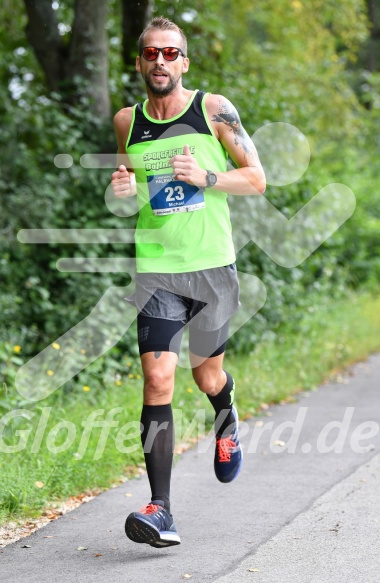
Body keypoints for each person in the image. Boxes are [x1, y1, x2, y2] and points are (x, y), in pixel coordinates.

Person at [111, 16, 266, 548]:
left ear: (185, 61)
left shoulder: (213, 109)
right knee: (157, 382)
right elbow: (127, 192)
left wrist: (207, 177)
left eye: (171, 54)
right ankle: (162, 509)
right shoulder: (125, 122)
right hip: (156, 270)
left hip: (211, 270)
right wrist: (121, 190)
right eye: (151, 53)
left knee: (206, 378)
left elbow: (257, 179)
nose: (161, 62)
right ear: (139, 62)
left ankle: (226, 414)